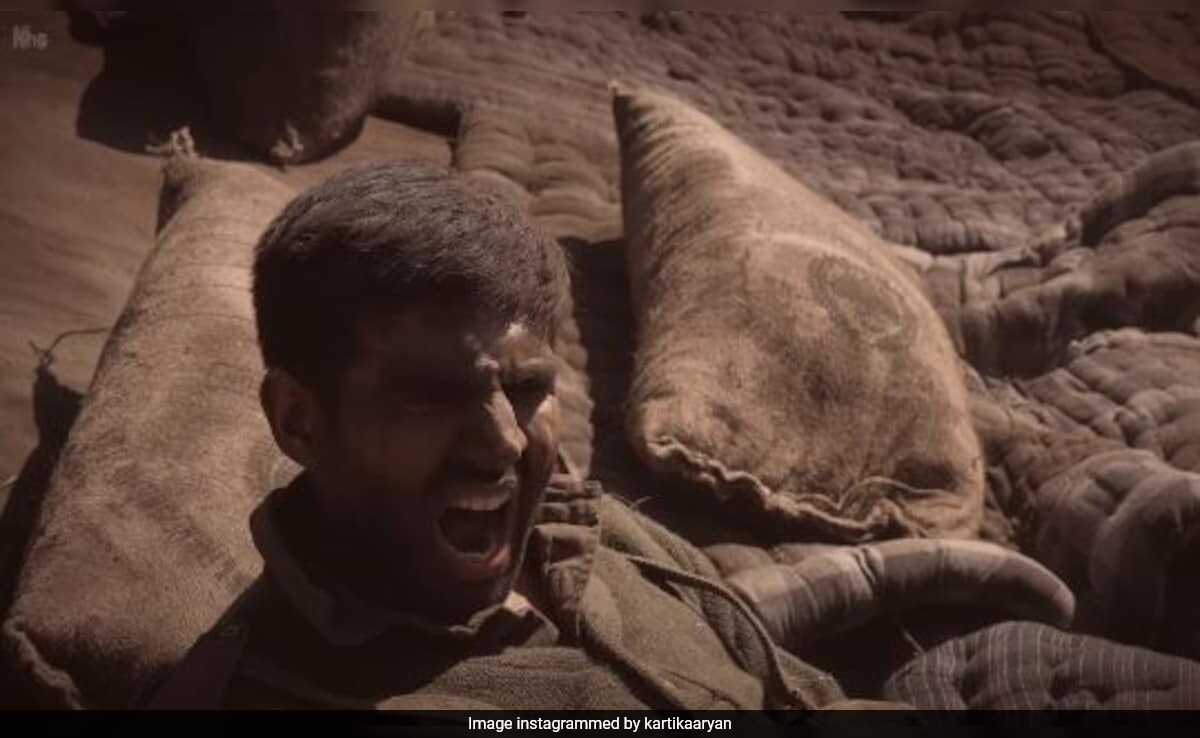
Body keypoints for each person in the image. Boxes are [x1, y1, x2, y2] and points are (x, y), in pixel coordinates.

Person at [146, 160, 854, 712]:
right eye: (432, 394)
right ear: (298, 420)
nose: (504, 444)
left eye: (526, 388)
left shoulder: (594, 528)